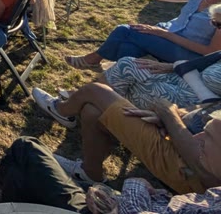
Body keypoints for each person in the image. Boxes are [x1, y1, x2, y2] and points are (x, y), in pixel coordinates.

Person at [31, 82, 221, 193]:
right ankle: (90, 173)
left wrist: (169, 116)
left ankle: (62, 111)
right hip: (179, 136)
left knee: (97, 91)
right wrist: (174, 115)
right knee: (92, 112)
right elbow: (205, 110)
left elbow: (208, 173)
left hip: (187, 164)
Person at [0, 136, 221, 214]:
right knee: (22, 170)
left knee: (26, 146)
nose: (197, 139)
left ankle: (1, 178)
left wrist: (136, 183)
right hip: (109, 203)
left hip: (97, 209)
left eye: (208, 137)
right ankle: (8, 184)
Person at [64, 0, 221, 69]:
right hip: (168, 32)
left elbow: (211, 52)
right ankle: (116, 76)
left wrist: (165, 35)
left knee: (124, 30)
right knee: (127, 49)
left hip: (187, 53)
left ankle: (93, 59)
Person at [103, 46, 221, 110]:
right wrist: (171, 66)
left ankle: (101, 108)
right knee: (128, 64)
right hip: (181, 78)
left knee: (129, 79)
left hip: (190, 100)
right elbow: (191, 65)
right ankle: (102, 108)